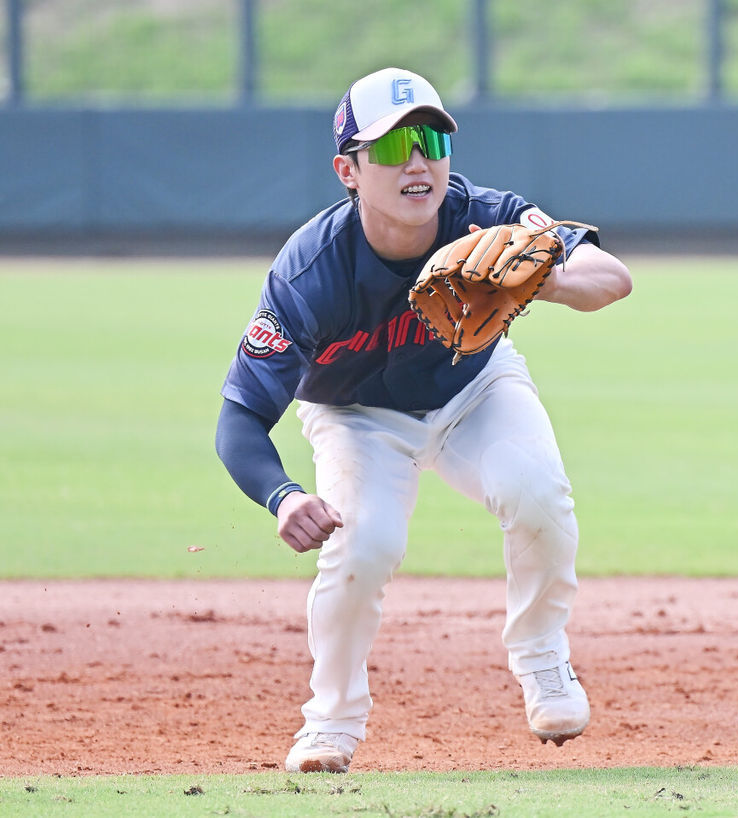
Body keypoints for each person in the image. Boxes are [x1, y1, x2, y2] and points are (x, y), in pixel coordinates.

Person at [215, 67, 632, 773]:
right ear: (347, 169)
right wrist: (282, 497)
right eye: (392, 146)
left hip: (476, 389)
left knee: (538, 494)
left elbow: (613, 279)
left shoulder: (489, 217)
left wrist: (549, 276)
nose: (418, 160)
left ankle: (543, 661)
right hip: (355, 417)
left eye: (432, 138)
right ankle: (331, 724)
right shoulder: (310, 273)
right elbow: (241, 419)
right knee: (364, 545)